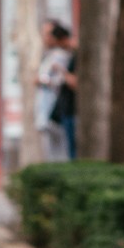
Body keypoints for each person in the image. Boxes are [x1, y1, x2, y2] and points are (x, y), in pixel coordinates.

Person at [36, 20, 72, 161]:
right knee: (50, 151)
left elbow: (59, 80)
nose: (45, 38)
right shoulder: (49, 55)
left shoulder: (60, 56)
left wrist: (43, 81)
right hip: (47, 108)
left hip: (56, 108)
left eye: (48, 34)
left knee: (60, 151)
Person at [50, 28, 78, 160]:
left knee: (73, 150)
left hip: (73, 111)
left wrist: (61, 70)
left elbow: (74, 83)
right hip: (66, 110)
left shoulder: (76, 57)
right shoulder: (70, 56)